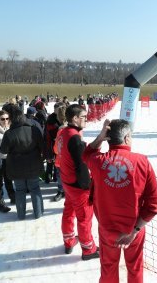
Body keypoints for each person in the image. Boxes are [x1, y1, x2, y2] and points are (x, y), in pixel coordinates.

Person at [82, 119, 157, 283]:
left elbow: (86, 154)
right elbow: (154, 204)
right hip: (133, 229)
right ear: (126, 138)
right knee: (135, 267)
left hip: (107, 230)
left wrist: (100, 138)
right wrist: (135, 230)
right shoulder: (142, 162)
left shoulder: (98, 161)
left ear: (108, 139)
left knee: (108, 267)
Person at [59, 104, 99, 260]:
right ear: (75, 119)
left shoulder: (64, 132)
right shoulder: (75, 138)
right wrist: (87, 186)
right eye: (83, 117)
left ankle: (68, 241)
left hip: (67, 180)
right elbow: (82, 165)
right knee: (84, 218)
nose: (86, 120)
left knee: (69, 211)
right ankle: (88, 249)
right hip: (77, 185)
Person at [0, 109, 44, 220]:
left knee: (20, 190)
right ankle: (38, 213)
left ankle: (21, 215)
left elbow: (3, 150)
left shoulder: (9, 133)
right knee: (35, 188)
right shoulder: (34, 130)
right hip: (33, 164)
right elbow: (42, 146)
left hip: (16, 166)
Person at [43, 102, 65, 184]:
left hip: (59, 143)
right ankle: (48, 178)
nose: (59, 111)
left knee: (58, 162)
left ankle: (56, 178)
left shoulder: (63, 118)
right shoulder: (51, 119)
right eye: (57, 109)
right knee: (51, 162)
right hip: (52, 143)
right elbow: (49, 133)